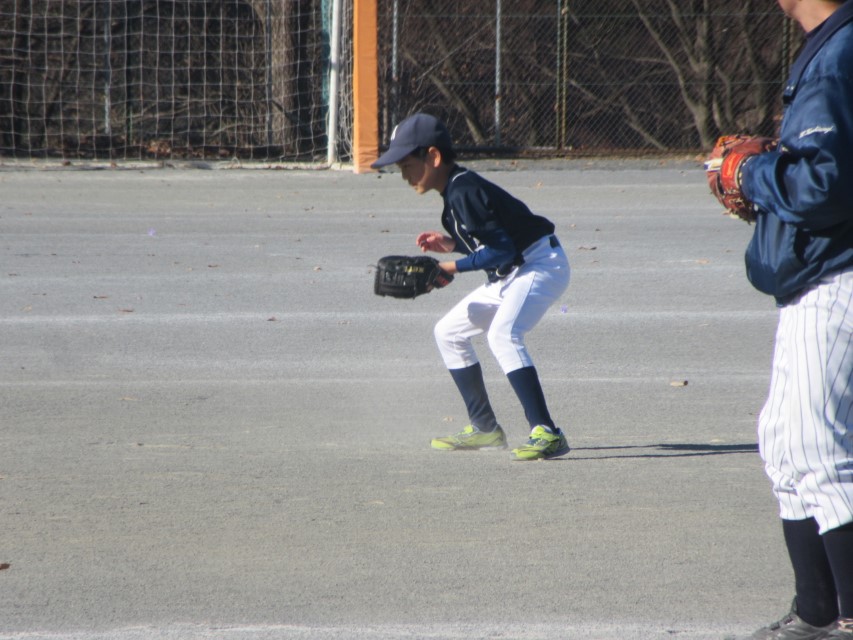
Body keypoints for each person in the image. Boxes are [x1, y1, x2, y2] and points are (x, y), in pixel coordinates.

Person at [719, 1, 853, 638]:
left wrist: (752, 171)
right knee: (783, 442)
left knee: (819, 448)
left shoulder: (839, 52)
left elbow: (824, 186)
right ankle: (817, 611)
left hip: (837, 273)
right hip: (818, 273)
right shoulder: (831, 45)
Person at [371, 112, 571, 461]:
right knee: (448, 332)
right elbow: (491, 244)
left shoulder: (464, 190)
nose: (404, 175)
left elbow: (503, 249)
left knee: (503, 334)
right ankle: (485, 428)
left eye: (406, 165)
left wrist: (449, 267)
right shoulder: (454, 193)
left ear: (433, 156)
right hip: (510, 272)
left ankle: (547, 431)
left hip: (539, 265)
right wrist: (451, 245)